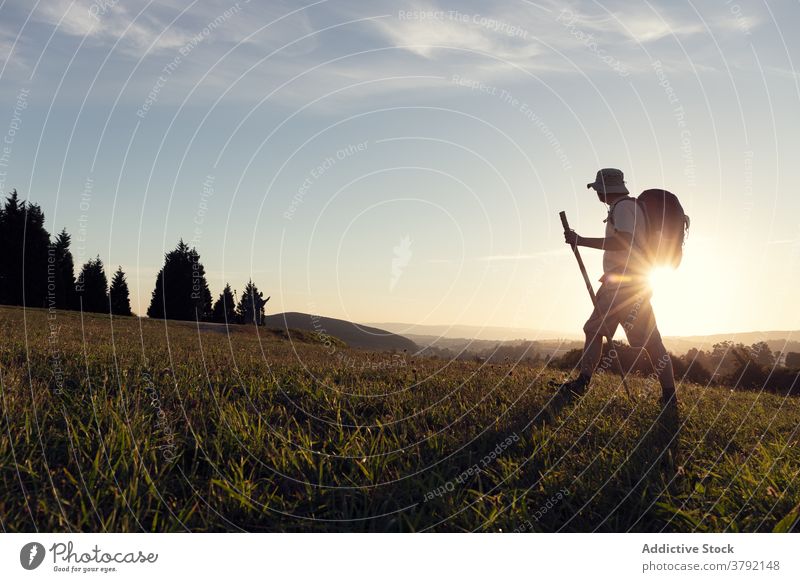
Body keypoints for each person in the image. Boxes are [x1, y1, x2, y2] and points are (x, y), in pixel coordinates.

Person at [557, 168, 677, 407]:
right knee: (650, 341)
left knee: (595, 331)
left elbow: (623, 241)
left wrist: (581, 241)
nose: (597, 194)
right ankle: (670, 396)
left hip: (621, 283)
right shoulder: (630, 207)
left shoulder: (623, 208)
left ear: (604, 189)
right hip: (634, 282)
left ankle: (582, 384)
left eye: (597, 189)